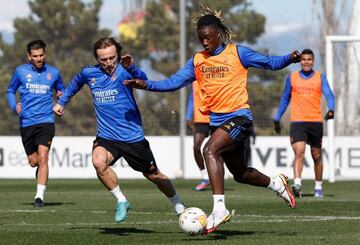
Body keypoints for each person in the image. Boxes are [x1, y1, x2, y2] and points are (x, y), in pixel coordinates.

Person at [124, 8, 301, 234]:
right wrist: (145, 84)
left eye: (208, 37)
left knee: (209, 150)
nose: (205, 42)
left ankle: (219, 210)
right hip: (219, 123)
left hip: (240, 118)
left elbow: (270, 62)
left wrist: (290, 58)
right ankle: (276, 184)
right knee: (240, 174)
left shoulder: (238, 53)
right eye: (201, 39)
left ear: (219, 34)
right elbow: (172, 83)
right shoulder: (197, 60)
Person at [53, 37, 185, 223]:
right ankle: (122, 200)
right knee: (98, 162)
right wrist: (61, 102)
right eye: (104, 59)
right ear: (97, 59)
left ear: (118, 55)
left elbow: (144, 80)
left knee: (153, 175)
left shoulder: (125, 70)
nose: (109, 62)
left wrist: (131, 67)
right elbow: (75, 84)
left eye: (112, 57)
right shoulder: (89, 73)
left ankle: (179, 206)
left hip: (132, 138)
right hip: (107, 136)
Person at [6, 39, 65, 207]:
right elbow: (10, 90)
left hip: (46, 121)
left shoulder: (53, 72)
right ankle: (41, 177)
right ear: (29, 56)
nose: (39, 59)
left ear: (45, 54)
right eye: (35, 56)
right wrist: (14, 105)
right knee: (34, 161)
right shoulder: (20, 71)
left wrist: (61, 102)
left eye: (41, 55)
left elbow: (61, 90)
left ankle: (39, 196)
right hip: (26, 122)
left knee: (44, 157)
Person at [273, 48, 335, 198]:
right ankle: (298, 184)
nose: (306, 62)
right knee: (299, 152)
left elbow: (329, 94)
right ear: (300, 61)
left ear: (313, 61)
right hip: (298, 121)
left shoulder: (320, 77)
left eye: (309, 59)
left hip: (315, 121)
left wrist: (331, 109)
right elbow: (285, 99)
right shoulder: (292, 77)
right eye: (303, 59)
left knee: (316, 155)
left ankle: (318, 187)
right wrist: (277, 117)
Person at [185, 81, 211, 191]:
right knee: (196, 147)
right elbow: (192, 98)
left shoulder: (215, 74)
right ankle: (205, 176)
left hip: (218, 117)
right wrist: (188, 116)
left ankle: (215, 176)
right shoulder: (194, 81)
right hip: (201, 119)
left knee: (215, 150)